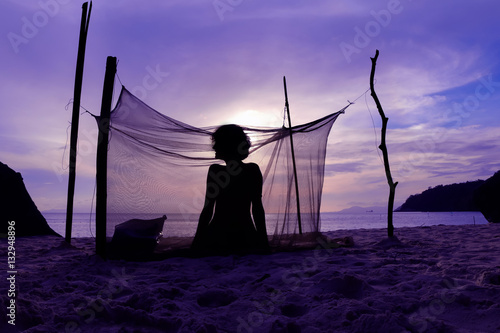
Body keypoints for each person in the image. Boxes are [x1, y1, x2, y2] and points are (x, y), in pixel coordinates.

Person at [191, 124, 270, 255]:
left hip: (218, 236)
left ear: (226, 145)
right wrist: (263, 242)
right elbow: (257, 209)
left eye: (217, 143)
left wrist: (196, 243)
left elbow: (208, 209)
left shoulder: (215, 170)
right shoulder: (252, 170)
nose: (214, 147)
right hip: (245, 236)